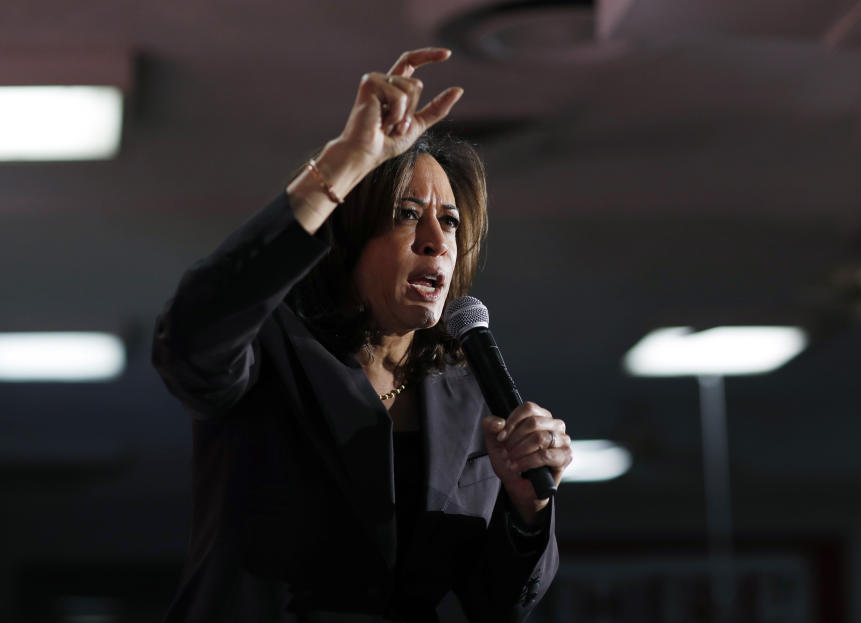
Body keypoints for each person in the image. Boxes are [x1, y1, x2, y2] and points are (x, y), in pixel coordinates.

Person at [152, 48, 573, 622]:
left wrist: (526, 509)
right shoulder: (270, 349)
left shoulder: (469, 395)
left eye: (449, 221)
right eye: (406, 214)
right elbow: (189, 338)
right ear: (349, 238)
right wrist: (343, 164)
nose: (437, 240)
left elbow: (496, 604)